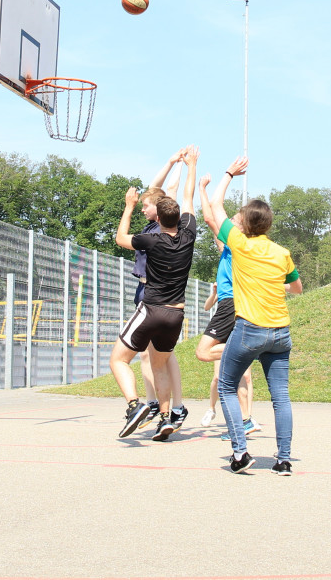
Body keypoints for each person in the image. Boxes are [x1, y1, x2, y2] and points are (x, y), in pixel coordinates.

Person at [200, 158, 302, 475]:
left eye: (240, 216)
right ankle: (283, 459)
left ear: (244, 223)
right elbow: (296, 288)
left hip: (250, 329)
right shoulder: (281, 253)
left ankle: (240, 453)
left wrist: (229, 173)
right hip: (280, 332)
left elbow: (215, 205)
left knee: (227, 387)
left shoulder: (239, 244)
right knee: (281, 397)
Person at [110, 147, 198, 442]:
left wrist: (129, 206)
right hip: (176, 314)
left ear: (158, 217)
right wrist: (191, 166)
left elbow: (121, 238)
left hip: (152, 309)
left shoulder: (152, 240)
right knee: (159, 364)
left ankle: (135, 405)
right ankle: (164, 417)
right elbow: (188, 197)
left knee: (118, 361)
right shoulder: (188, 235)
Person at [130, 150, 191, 430]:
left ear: (160, 207)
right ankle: (154, 402)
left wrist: (182, 167)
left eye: (146, 205)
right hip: (144, 292)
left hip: (158, 297)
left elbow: (169, 191)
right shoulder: (150, 224)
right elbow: (153, 190)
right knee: (146, 353)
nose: (143, 208)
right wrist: (171, 161)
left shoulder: (164, 227)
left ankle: (176, 405)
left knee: (164, 354)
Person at [194, 223, 259, 437]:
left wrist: (203, 192)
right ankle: (242, 419)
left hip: (230, 306)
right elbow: (216, 233)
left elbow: (217, 228)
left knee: (204, 353)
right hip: (234, 309)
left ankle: (248, 349)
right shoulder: (232, 252)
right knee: (229, 377)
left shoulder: (235, 249)